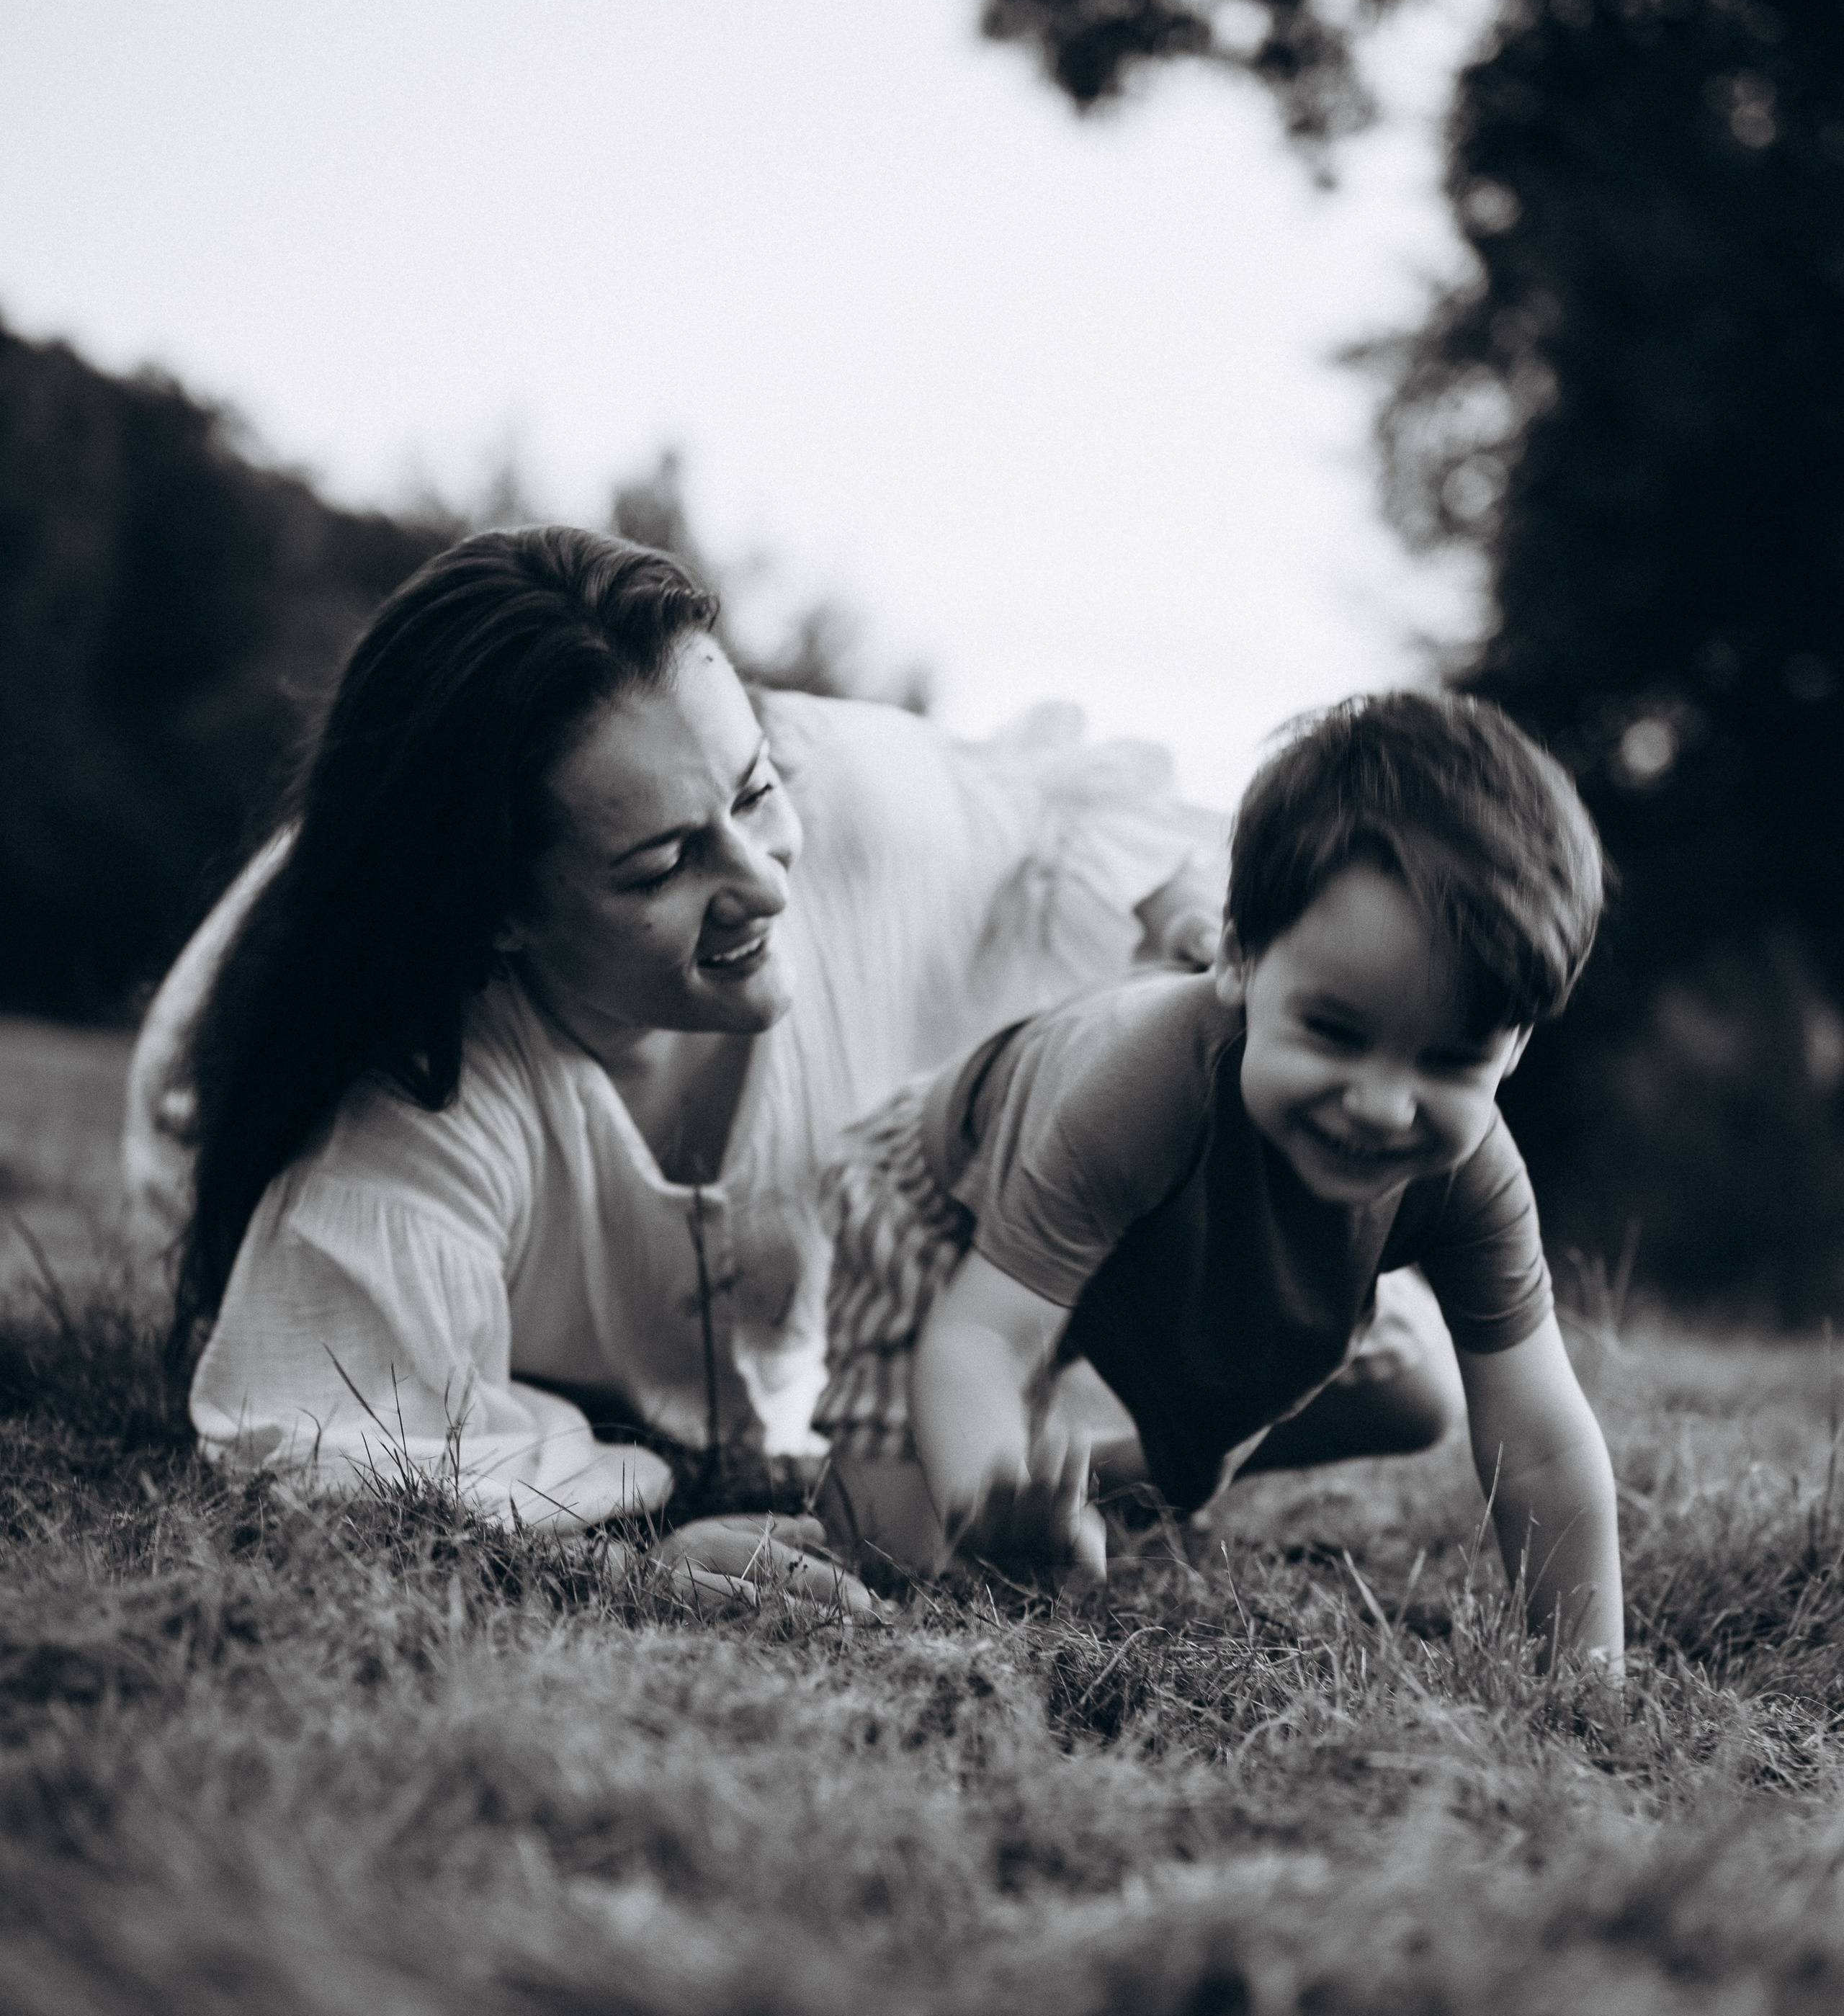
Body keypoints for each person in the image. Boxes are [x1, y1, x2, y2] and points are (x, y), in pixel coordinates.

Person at [127, 523, 1248, 1615]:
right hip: (257, 1057)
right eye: (666, 863)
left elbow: (1060, 808)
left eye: (753, 794)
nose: (766, 883)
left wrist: (1189, 920)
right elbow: (331, 1460)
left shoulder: (854, 801)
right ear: (499, 912)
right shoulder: (407, 1109)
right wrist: (631, 1569)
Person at [815, 692, 1624, 1672]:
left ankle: (1116, 1478)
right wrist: (994, 1508)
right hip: (948, 1196)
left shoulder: (1475, 1177)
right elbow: (979, 1340)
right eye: (1335, 1032)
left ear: (1515, 1045)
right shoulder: (1137, 1085)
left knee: (1417, 1398)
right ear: (1239, 958)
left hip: (1174, 1226)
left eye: (1451, 1060)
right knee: (902, 1551)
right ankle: (1020, 1489)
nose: (1383, 1105)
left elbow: (1542, 1440)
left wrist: (1588, 1676)